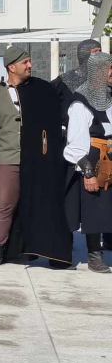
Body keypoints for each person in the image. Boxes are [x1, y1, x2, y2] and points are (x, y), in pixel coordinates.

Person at [0, 48, 72, 268]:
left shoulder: (41, 89)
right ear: (11, 67)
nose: (30, 65)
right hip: (8, 157)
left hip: (37, 158)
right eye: (25, 62)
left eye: (29, 61)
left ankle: (48, 250)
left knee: (41, 203)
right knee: (4, 205)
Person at [63, 51, 112, 273]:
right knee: (95, 206)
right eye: (110, 68)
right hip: (94, 158)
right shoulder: (80, 101)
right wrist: (88, 173)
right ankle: (94, 256)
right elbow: (74, 142)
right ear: (99, 71)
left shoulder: (109, 95)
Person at [54, 39, 101, 117]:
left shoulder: (105, 79)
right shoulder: (65, 80)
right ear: (84, 55)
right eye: (95, 51)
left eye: (100, 51)